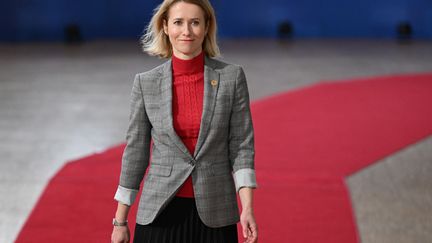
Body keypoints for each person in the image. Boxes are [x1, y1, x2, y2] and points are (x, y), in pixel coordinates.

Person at [110, 0, 258, 242]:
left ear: (207, 26)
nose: (187, 31)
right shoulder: (145, 83)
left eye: (195, 22)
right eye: (178, 22)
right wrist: (120, 220)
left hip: (216, 215)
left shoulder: (232, 78)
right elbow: (135, 153)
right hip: (159, 214)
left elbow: (242, 146)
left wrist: (248, 208)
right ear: (165, 27)